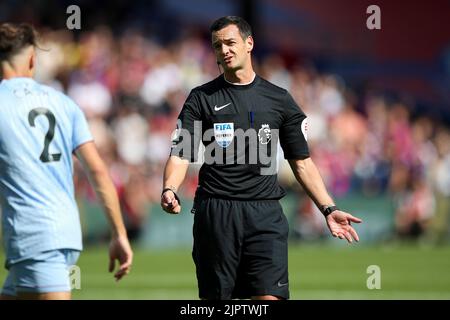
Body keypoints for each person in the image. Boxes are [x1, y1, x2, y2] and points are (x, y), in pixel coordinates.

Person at [161, 16, 362, 300]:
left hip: (265, 214)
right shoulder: (201, 98)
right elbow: (181, 153)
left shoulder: (280, 99)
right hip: (217, 213)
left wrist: (328, 209)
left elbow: (301, 162)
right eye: (218, 46)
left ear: (249, 43)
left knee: (269, 298)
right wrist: (169, 188)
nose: (225, 50)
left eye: (231, 43)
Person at [0, 23, 133, 300]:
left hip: (34, 234)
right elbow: (97, 170)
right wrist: (119, 233)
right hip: (66, 234)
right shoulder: (64, 103)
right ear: (33, 59)